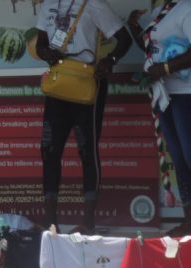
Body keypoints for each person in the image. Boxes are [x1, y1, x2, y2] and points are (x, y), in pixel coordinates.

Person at [129, 0, 191, 236]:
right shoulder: (162, 12)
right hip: (167, 93)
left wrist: (165, 68)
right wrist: (133, 28)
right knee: (179, 158)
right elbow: (151, 48)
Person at [36, 0, 132, 234]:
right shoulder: (48, 4)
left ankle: (88, 222)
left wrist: (109, 61)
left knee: (87, 151)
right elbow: (40, 44)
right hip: (58, 85)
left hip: (87, 85)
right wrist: (45, 52)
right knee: (49, 150)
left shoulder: (94, 4)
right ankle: (51, 222)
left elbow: (125, 40)